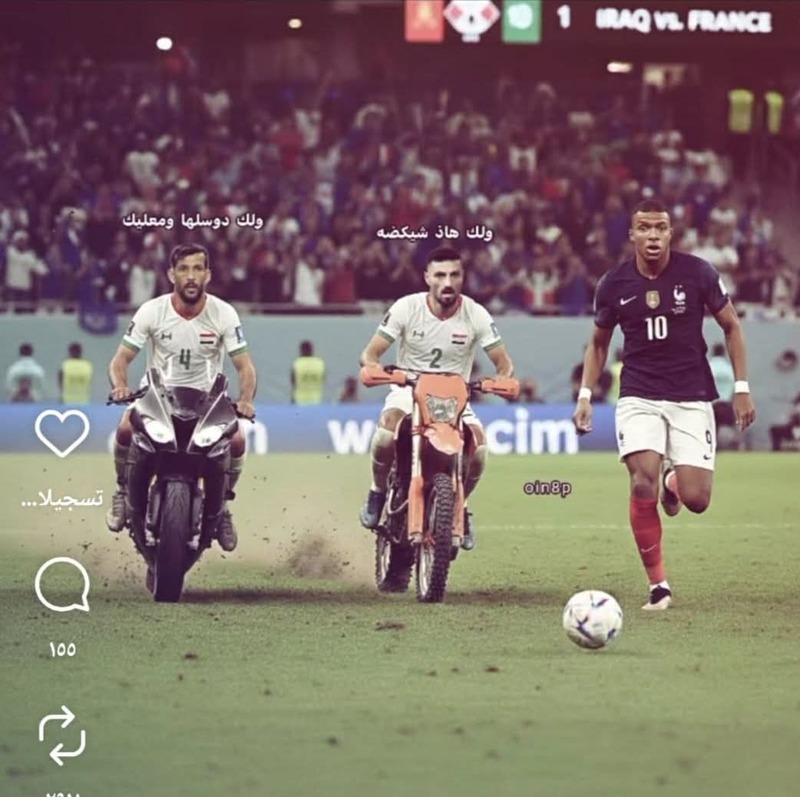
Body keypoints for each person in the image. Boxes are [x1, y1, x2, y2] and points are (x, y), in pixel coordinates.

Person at [572, 199, 756, 610]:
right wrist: (585, 395)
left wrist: (741, 386)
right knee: (642, 481)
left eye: (660, 227)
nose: (652, 235)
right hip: (638, 393)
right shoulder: (613, 284)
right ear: (632, 234)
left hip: (691, 395)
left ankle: (674, 483)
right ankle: (659, 586)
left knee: (697, 500)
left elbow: (731, 326)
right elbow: (598, 343)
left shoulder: (698, 273)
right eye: (644, 228)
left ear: (671, 233)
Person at [358, 245, 515, 550]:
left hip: (454, 399)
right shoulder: (406, 308)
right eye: (440, 275)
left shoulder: (476, 314)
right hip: (409, 392)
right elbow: (370, 353)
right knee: (386, 432)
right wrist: (376, 369)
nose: (447, 282)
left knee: (480, 450)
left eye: (454, 275)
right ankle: (377, 492)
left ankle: (462, 507)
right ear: (427, 277)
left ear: (463, 277)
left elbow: (503, 362)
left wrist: (501, 379)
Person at [106, 244, 257, 552]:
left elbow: (245, 367)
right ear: (171, 274)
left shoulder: (224, 313)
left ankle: (223, 505)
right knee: (125, 428)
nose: (190, 276)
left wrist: (246, 399)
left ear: (208, 275)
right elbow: (120, 359)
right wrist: (120, 385)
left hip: (206, 401)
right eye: (184, 269)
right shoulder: (152, 311)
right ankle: (121, 490)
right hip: (158, 395)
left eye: (197, 268)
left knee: (238, 440)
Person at [708, 342, 737, 448]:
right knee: (733, 426)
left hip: (712, 403)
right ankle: (737, 445)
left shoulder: (709, 366)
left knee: (711, 427)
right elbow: (734, 387)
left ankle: (712, 446)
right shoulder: (729, 368)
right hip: (726, 403)